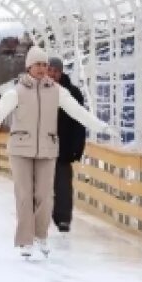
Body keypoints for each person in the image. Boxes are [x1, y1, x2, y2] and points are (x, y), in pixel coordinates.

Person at [0, 46, 108, 259]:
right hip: (20, 149)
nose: (42, 69)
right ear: (29, 67)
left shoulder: (57, 91)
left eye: (45, 65)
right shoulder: (16, 92)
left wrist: (100, 127)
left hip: (47, 148)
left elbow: (78, 112)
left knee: (45, 196)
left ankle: (40, 235)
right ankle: (25, 240)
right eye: (38, 65)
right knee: (25, 195)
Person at [48, 57, 87, 232]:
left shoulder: (73, 93)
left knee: (63, 185)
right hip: (42, 147)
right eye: (50, 70)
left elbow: (79, 122)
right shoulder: (39, 91)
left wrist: (77, 148)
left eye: (55, 71)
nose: (52, 74)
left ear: (61, 72)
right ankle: (40, 216)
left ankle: (63, 218)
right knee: (40, 185)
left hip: (63, 148)